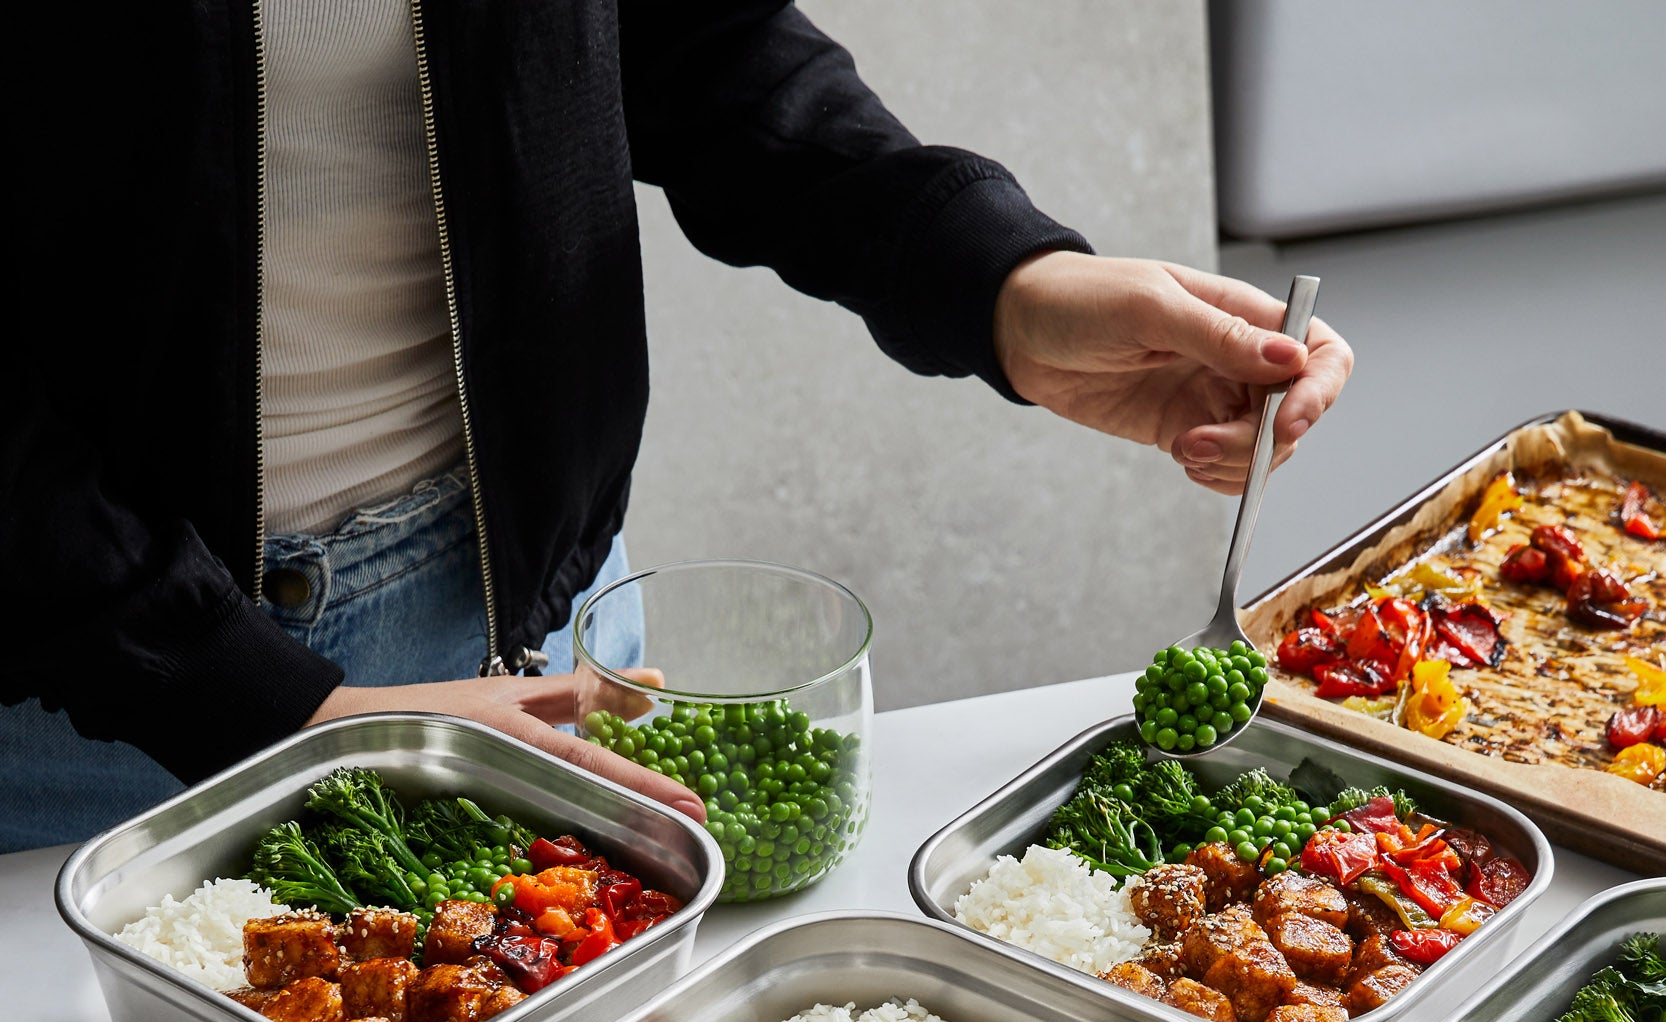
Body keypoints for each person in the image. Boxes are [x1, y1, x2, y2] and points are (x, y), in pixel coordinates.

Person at [2, 4, 1350, 852]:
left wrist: (1002, 282)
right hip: (88, 697)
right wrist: (260, 699)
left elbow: (691, 41)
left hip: (530, 630)